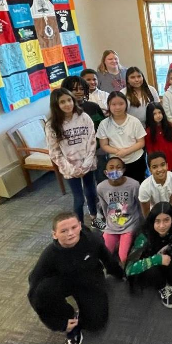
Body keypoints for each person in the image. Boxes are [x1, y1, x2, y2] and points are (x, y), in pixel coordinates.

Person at [28, 212, 124, 344]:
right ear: (54, 234)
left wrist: (120, 274)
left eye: (74, 227)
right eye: (64, 231)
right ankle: (70, 319)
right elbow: (34, 289)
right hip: (64, 281)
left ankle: (83, 313)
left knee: (96, 324)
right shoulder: (49, 255)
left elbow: (107, 258)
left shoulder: (92, 240)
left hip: (89, 278)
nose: (70, 233)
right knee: (43, 290)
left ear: (80, 226)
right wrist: (58, 324)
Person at [45, 88, 97, 224]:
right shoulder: (51, 125)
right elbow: (55, 152)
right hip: (70, 168)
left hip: (87, 164)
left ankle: (95, 217)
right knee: (79, 199)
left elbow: (92, 142)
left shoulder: (84, 117)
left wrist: (86, 165)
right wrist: (72, 169)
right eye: (62, 102)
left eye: (69, 100)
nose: (67, 104)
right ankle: (78, 224)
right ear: (56, 105)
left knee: (91, 192)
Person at [126, 202, 172, 308]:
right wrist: (156, 260)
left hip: (165, 259)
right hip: (148, 265)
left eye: (166, 220)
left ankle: (165, 277)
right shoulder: (143, 237)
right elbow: (129, 269)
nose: (162, 226)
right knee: (154, 273)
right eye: (157, 221)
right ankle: (162, 287)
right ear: (152, 222)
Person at [97, 157, 142, 264]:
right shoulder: (101, 187)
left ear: (124, 170)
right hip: (111, 226)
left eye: (118, 168)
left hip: (129, 224)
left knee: (124, 258)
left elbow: (140, 205)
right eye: (111, 168)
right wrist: (108, 224)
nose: (115, 171)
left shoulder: (134, 185)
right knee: (104, 255)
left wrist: (140, 224)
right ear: (105, 172)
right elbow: (104, 208)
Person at [96, 91, 147, 183]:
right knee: (120, 187)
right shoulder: (104, 124)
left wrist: (126, 151)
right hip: (115, 163)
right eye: (114, 104)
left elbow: (141, 142)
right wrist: (118, 152)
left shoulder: (134, 121)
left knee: (138, 185)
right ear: (109, 105)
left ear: (126, 104)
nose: (117, 107)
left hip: (136, 160)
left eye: (121, 104)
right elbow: (104, 145)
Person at [139, 152, 172, 241]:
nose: (160, 169)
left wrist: (167, 217)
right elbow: (146, 211)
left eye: (162, 165)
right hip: (154, 208)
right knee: (149, 230)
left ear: (167, 165)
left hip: (171, 204)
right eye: (154, 167)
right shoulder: (144, 187)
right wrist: (155, 221)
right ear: (149, 169)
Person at [145, 103, 172, 172]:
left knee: (170, 174)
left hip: (170, 157)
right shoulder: (148, 131)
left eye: (159, 112)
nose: (158, 116)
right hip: (158, 160)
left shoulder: (169, 126)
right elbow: (149, 149)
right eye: (154, 114)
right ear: (150, 115)